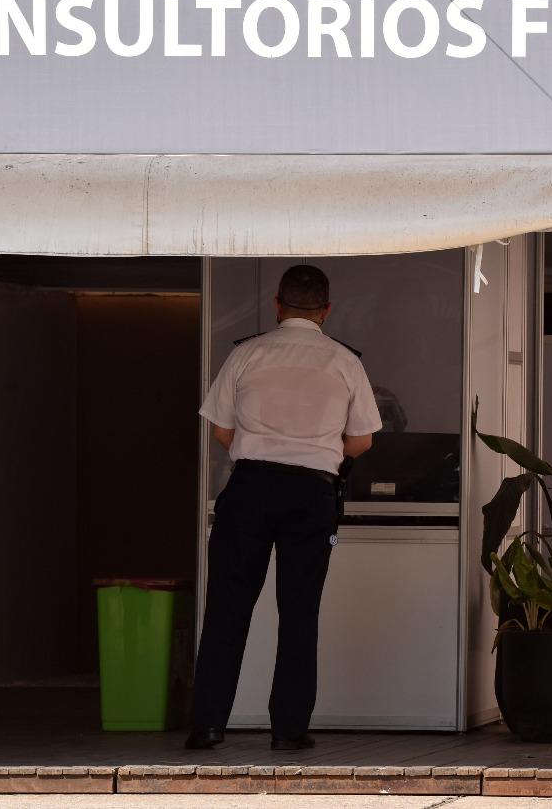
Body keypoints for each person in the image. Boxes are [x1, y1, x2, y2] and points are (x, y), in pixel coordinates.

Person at [186, 265, 382, 751]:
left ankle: (208, 725)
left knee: (228, 607)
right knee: (299, 611)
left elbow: (220, 431)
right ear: (326, 310)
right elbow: (362, 440)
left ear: (277, 304)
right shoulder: (344, 362)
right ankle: (289, 729)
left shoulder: (246, 354)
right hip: (312, 494)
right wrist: (320, 447)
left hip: (250, 488)